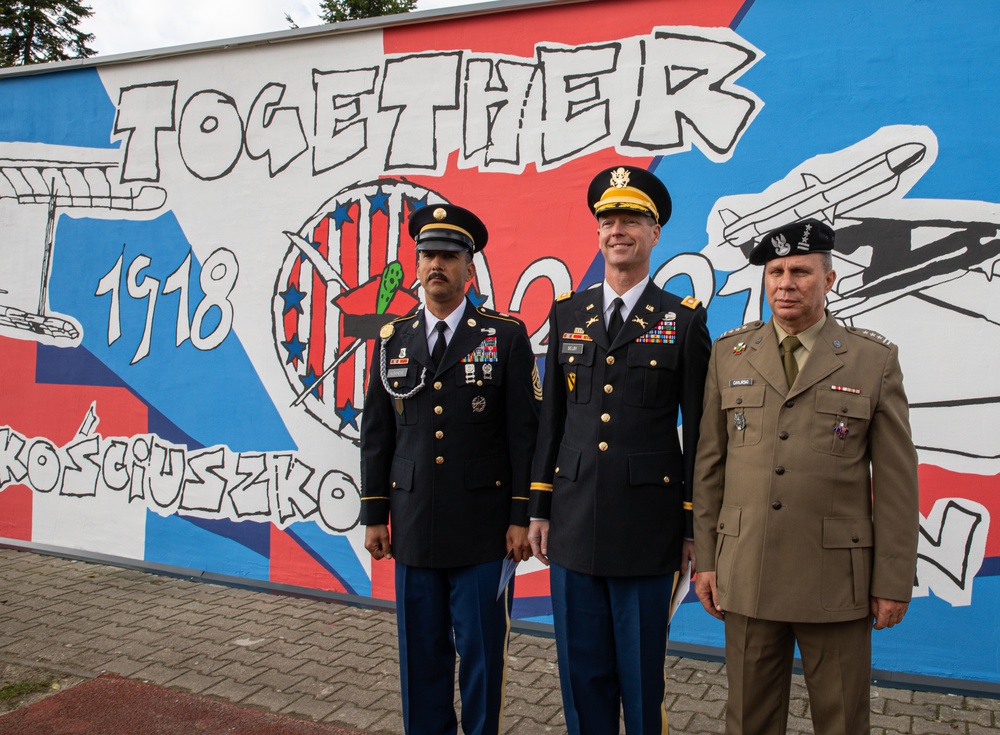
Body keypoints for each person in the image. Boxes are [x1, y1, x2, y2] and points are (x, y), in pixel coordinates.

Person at [692, 218, 919, 735]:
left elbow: (898, 482)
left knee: (842, 720)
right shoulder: (730, 355)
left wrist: (892, 579)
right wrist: (707, 559)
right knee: (748, 719)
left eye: (800, 271)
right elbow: (709, 465)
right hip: (747, 568)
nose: (785, 284)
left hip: (835, 580)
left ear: (830, 279)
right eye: (775, 272)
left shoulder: (871, 360)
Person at [528, 165, 711, 734]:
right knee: (582, 678)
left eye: (632, 219)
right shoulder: (567, 315)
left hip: (647, 530)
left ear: (655, 233)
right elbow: (551, 422)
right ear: (597, 233)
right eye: (608, 219)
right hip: (574, 520)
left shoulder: (682, 321)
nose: (617, 230)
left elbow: (700, 432)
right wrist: (539, 506)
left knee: (640, 678)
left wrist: (690, 528)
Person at [360, 203, 541, 735]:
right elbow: (378, 433)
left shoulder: (505, 336)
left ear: (470, 267)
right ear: (416, 265)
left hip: (484, 531)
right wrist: (375, 514)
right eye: (427, 255)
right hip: (413, 525)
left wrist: (519, 517)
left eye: (448, 256)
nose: (435, 265)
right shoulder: (392, 338)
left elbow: (523, 434)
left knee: (483, 656)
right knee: (421, 655)